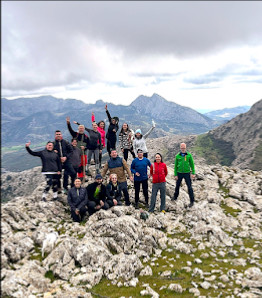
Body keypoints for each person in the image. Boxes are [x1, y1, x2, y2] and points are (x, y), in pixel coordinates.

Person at [172, 143, 196, 208]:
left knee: (189, 187)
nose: (183, 149)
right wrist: (175, 174)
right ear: (180, 148)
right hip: (179, 173)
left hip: (187, 173)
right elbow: (175, 166)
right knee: (177, 186)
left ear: (185, 148)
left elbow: (192, 164)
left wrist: (193, 172)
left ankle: (192, 201)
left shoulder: (189, 155)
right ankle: (175, 197)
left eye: (184, 148)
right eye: (182, 148)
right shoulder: (177, 156)